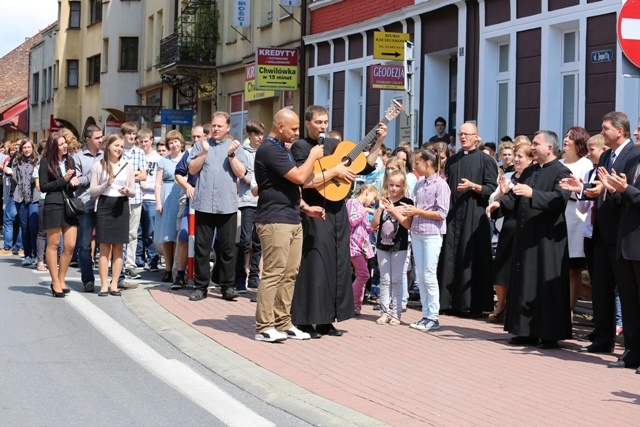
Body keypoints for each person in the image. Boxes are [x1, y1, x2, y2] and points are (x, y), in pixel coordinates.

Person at [290, 105, 387, 338]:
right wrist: (335, 172)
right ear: (307, 123)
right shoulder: (300, 147)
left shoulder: (334, 146)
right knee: (314, 264)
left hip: (337, 211)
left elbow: (365, 165)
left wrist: (377, 143)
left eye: (325, 122)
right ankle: (304, 319)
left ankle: (326, 320)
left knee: (337, 265)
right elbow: (305, 180)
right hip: (314, 211)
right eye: (318, 122)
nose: (322, 126)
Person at [561, 112, 640, 354]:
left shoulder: (634, 154)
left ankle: (630, 346)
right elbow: (600, 187)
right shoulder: (606, 154)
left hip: (623, 233)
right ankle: (603, 337)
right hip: (600, 231)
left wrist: (614, 189)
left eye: (605, 128)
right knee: (601, 287)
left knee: (627, 293)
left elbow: (623, 192)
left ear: (620, 131)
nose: (602, 132)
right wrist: (583, 188)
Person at [490, 130, 571, 349]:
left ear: (549, 148)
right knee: (525, 280)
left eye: (536, 144)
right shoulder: (529, 171)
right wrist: (499, 204)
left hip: (548, 239)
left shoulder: (561, 171)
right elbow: (514, 196)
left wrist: (533, 193)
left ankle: (549, 333)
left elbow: (559, 199)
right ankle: (524, 331)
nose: (532, 147)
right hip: (526, 236)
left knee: (545, 283)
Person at [253, 109, 325, 342]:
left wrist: (305, 207)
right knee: (274, 272)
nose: (297, 133)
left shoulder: (281, 149)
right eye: (293, 129)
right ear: (280, 126)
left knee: (290, 273)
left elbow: (290, 188)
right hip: (274, 220)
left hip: (292, 217)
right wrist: (313, 156)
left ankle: (283, 322)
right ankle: (264, 326)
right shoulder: (269, 149)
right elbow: (299, 178)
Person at [438, 122, 498, 316]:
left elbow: (490, 189)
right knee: (450, 256)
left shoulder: (485, 160)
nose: (463, 137)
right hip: (454, 215)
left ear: (476, 137)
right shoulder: (453, 160)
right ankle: (448, 303)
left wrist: (473, 186)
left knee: (471, 257)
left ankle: (472, 305)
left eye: (467, 134)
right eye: (461, 134)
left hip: (474, 214)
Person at [188, 112, 247, 302]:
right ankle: (201, 286)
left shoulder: (235, 147)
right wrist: (204, 152)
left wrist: (231, 155)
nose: (215, 129)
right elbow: (192, 169)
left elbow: (241, 172)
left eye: (220, 126)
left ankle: (227, 287)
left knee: (227, 248)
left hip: (227, 204)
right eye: (213, 125)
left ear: (228, 128)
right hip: (204, 203)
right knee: (202, 248)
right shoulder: (200, 145)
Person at [598, 154, 640, 372]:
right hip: (626, 243)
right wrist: (613, 190)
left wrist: (626, 189)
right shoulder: (634, 163)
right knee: (630, 302)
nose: (636, 133)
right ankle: (632, 352)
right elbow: (623, 203)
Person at [403, 149, 450, 332]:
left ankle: (433, 316)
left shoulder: (441, 185)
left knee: (429, 275)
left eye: (418, 163)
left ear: (428, 163)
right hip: (417, 231)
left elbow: (442, 213)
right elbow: (415, 205)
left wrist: (417, 212)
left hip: (432, 234)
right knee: (421, 275)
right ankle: (425, 314)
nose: (415, 166)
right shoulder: (420, 183)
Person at [486, 142, 533, 322]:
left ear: (530, 159)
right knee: (502, 266)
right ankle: (501, 304)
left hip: (524, 226)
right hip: (507, 225)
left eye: (521, 156)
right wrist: (502, 195)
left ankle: (516, 307)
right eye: (516, 156)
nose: (516, 159)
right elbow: (493, 198)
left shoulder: (532, 178)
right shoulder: (508, 176)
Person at [89, 133, 135, 296]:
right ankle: (102, 284)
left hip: (121, 206)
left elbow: (133, 191)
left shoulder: (127, 166)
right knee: (104, 248)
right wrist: (106, 184)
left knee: (118, 248)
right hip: (104, 205)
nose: (119, 149)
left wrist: (127, 191)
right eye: (116, 145)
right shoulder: (98, 166)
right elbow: (93, 191)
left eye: (121, 147)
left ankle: (114, 284)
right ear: (108, 146)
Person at [39, 132, 80, 297]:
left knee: (70, 245)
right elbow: (43, 186)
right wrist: (63, 180)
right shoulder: (45, 162)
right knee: (53, 244)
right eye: (61, 143)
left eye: (65, 143)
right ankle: (55, 281)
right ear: (53, 146)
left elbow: (70, 183)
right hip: (54, 204)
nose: (65, 146)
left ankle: (62, 278)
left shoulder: (70, 161)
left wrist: (74, 183)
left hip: (69, 204)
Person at [370, 169, 413, 325]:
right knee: (385, 279)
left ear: (403, 186)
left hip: (399, 245)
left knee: (396, 279)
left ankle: (396, 313)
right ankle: (384, 312)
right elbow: (373, 224)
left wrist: (393, 210)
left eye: (397, 185)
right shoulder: (383, 201)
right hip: (382, 244)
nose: (394, 188)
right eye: (391, 185)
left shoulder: (407, 202)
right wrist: (380, 209)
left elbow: (408, 224)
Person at [559, 127, 593, 311]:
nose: (566, 140)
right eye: (565, 136)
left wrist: (569, 191)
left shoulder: (585, 165)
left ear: (579, 143)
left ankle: (569, 310)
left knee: (573, 269)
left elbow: (584, 192)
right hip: (557, 217)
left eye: (570, 138)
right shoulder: (559, 162)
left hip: (575, 218)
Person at [72, 125, 103, 293]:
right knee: (84, 246)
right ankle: (88, 280)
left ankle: (113, 281)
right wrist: (96, 174)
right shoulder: (77, 157)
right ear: (88, 139)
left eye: (101, 137)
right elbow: (77, 180)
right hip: (84, 205)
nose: (101, 140)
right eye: (98, 138)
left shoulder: (106, 155)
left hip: (104, 205)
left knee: (109, 244)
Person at [236, 120, 264, 293]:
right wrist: (254, 178)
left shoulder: (264, 152)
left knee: (258, 242)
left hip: (262, 202)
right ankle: (240, 278)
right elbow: (244, 175)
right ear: (249, 135)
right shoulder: (243, 153)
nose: (260, 138)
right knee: (245, 241)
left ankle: (254, 276)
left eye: (261, 134)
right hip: (247, 201)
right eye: (257, 135)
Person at [155, 130, 184, 283]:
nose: (173, 145)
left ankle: (178, 268)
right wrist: (158, 202)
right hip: (167, 197)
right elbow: (158, 183)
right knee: (167, 236)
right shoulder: (163, 161)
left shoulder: (186, 158)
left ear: (181, 142)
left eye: (176, 141)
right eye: (171, 142)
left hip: (180, 195)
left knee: (179, 235)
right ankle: (167, 269)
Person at [120, 122, 147, 282]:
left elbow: (144, 175)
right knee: (119, 231)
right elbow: (115, 172)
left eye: (133, 134)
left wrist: (128, 175)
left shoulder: (139, 152)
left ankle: (130, 264)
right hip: (120, 197)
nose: (132, 137)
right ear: (123, 135)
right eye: (129, 134)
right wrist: (133, 174)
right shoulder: (119, 151)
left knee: (132, 233)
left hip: (135, 197)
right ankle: (118, 262)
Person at [347, 184, 378, 316]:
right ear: (366, 192)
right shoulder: (352, 202)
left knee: (363, 275)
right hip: (353, 245)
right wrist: (364, 211)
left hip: (362, 246)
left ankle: (356, 304)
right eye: (373, 197)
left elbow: (365, 227)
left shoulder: (364, 208)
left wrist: (375, 227)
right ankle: (351, 301)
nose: (373, 201)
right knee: (364, 274)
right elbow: (351, 220)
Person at [9, 138, 39, 266]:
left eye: (28, 147)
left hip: (34, 197)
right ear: (21, 149)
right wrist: (10, 173)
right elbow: (15, 179)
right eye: (24, 148)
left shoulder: (39, 160)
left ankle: (38, 255)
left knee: (34, 226)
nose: (27, 150)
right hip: (20, 197)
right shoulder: (16, 161)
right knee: (25, 227)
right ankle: (28, 255)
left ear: (33, 148)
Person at [136, 127, 160, 272]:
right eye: (141, 142)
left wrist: (149, 186)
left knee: (150, 231)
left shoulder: (158, 159)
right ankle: (139, 260)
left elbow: (160, 180)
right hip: (138, 197)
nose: (143, 144)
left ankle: (152, 261)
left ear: (151, 141)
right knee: (137, 232)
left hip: (151, 198)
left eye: (146, 141)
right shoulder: (137, 156)